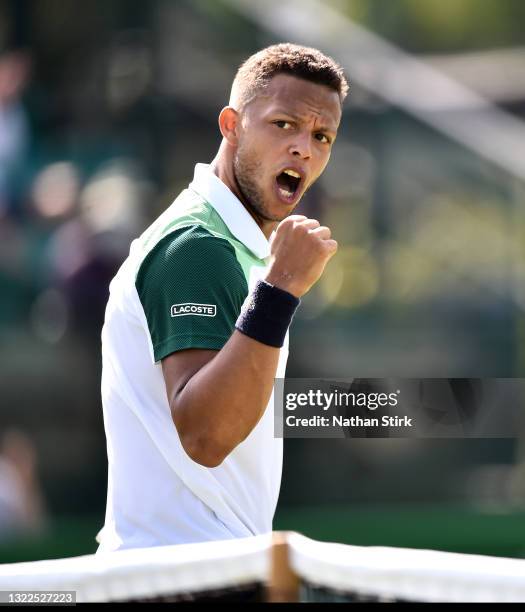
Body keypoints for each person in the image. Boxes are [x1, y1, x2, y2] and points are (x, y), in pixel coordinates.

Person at [96, 43, 348, 552]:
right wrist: (279, 291)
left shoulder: (235, 248)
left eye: (321, 136)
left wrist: (450, 411)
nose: (304, 147)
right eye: (284, 124)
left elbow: (252, 409)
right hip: (177, 573)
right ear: (231, 125)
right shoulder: (197, 248)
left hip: (193, 566)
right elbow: (207, 435)